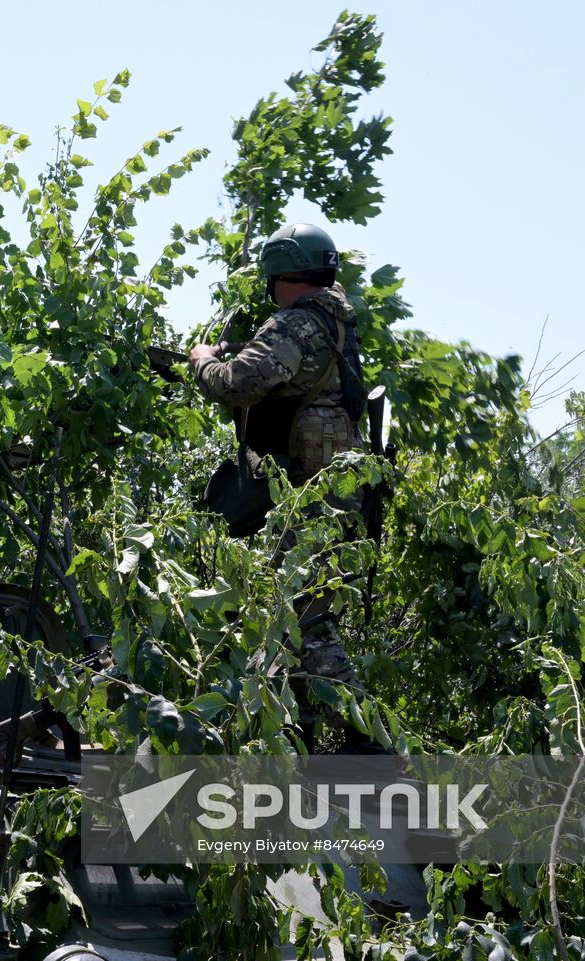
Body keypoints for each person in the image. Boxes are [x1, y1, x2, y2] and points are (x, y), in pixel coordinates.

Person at [189, 222, 372, 751]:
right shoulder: (333, 323)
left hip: (309, 498)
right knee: (283, 613)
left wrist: (204, 363)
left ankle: (365, 741)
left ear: (280, 274)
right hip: (331, 493)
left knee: (302, 619)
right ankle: (293, 734)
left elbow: (239, 384)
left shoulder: (297, 324)